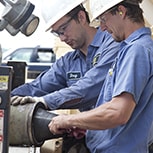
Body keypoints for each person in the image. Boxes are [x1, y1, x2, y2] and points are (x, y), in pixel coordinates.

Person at [48, 0, 153, 153]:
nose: (102, 28)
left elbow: (118, 112)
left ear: (121, 11)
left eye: (103, 19)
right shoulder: (134, 49)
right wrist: (88, 125)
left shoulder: (137, 50)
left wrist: (67, 119)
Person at [10, 0, 119, 112]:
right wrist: (6, 97)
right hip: (92, 128)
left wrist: (45, 101)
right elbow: (36, 88)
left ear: (81, 17)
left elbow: (90, 86)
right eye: (57, 33)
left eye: (63, 29)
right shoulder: (68, 62)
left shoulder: (113, 43)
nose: (62, 38)